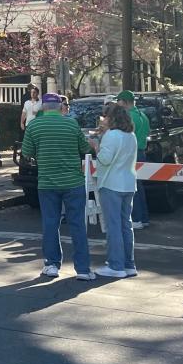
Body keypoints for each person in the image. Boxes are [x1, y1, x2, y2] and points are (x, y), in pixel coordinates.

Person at [21, 93, 95, 280]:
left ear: (43, 107)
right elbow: (85, 149)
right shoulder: (71, 124)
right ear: (60, 106)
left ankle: (52, 264)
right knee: (78, 225)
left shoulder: (34, 126)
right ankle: (83, 269)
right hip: (73, 182)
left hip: (47, 182)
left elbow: (26, 153)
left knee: (50, 224)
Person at [94, 102, 138, 278]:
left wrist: (96, 145)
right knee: (126, 225)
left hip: (111, 183)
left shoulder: (111, 135)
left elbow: (104, 159)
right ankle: (129, 264)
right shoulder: (131, 135)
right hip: (128, 183)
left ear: (111, 118)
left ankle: (115, 265)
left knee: (113, 226)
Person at [116, 91, 152, 229]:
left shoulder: (127, 116)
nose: (117, 104)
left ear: (124, 101)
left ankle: (136, 218)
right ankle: (144, 218)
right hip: (141, 151)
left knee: (132, 187)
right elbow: (148, 133)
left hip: (131, 153)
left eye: (118, 101)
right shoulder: (143, 115)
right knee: (139, 187)